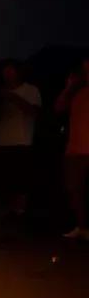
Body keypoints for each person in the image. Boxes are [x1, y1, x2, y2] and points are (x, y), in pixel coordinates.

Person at [0, 59, 41, 219]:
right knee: (8, 177)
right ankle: (11, 209)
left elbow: (34, 111)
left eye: (11, 70)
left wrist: (13, 98)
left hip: (22, 140)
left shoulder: (30, 90)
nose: (7, 74)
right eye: (5, 71)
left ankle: (21, 210)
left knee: (22, 178)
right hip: (4, 140)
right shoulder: (0, 92)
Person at [55, 56, 89, 240]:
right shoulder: (76, 91)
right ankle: (81, 226)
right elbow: (59, 107)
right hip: (75, 149)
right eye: (84, 69)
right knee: (75, 189)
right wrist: (69, 88)